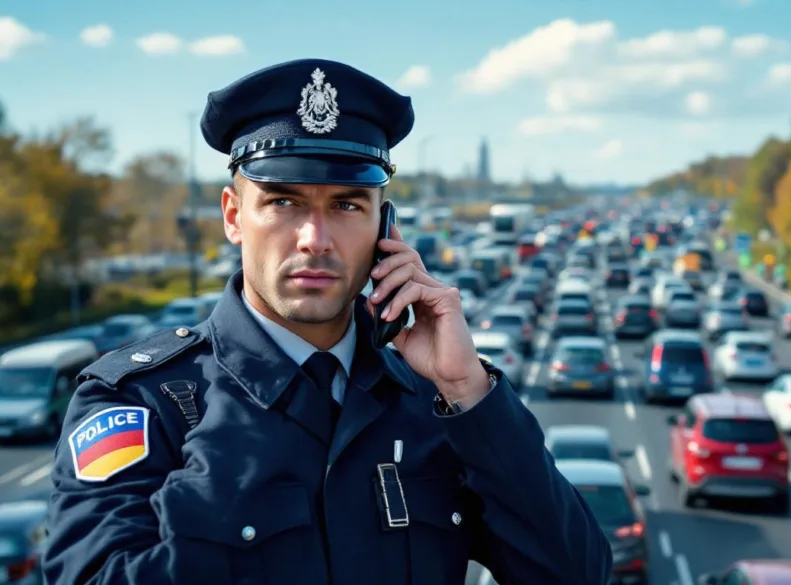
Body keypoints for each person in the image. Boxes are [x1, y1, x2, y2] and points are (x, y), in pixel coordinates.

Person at [42, 59, 612, 585]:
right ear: (234, 216)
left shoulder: (432, 401)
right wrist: (241, 426)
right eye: (284, 202)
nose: (315, 241)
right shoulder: (142, 405)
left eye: (346, 205)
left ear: (384, 226)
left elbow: (575, 573)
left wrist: (469, 391)